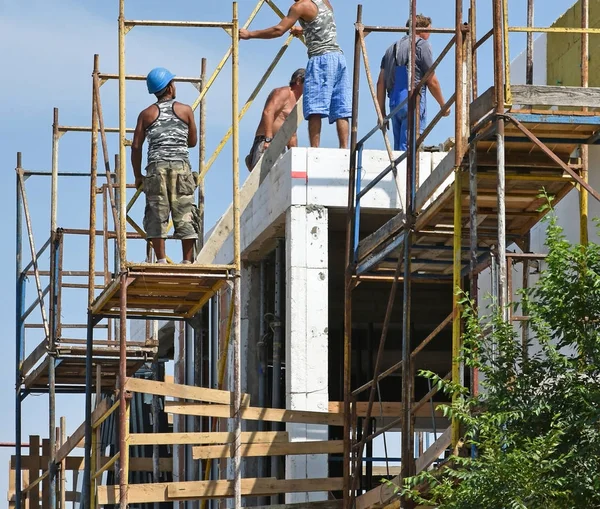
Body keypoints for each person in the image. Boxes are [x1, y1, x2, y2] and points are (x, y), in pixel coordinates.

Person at [239, 0, 351, 149]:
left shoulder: (300, 7)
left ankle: (315, 150)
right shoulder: (324, 2)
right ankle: (344, 149)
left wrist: (250, 34)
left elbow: (278, 30)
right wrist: (305, 30)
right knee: (340, 109)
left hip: (320, 58)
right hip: (338, 58)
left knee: (314, 108)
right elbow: (322, 24)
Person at [131, 67, 199, 264]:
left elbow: (136, 147)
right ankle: (187, 261)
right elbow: (192, 142)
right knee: (185, 210)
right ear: (169, 87)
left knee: (156, 211)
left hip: (156, 168)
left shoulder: (146, 114)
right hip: (180, 167)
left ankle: (160, 259)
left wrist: (137, 176)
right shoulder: (185, 110)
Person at [377, 14, 449, 152]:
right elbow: (431, 80)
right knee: (410, 148)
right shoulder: (422, 45)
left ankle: (400, 173)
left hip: (394, 103)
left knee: (399, 149)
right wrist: (443, 105)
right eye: (428, 31)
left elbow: (381, 83)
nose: (430, 35)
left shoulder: (390, 49)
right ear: (420, 30)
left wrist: (381, 113)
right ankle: (408, 173)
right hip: (413, 100)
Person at [245, 68, 305, 172]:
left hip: (280, 146)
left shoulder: (299, 103)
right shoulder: (284, 92)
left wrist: (295, 156)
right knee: (263, 183)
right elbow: (268, 112)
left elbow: (292, 133)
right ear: (299, 81)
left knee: (277, 185)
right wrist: (268, 139)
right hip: (266, 142)